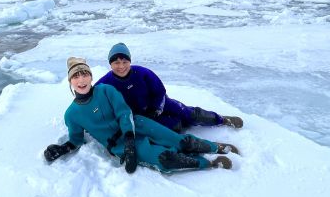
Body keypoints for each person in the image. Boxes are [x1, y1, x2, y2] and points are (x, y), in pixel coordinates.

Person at [44, 57, 239, 174]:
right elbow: (76, 140)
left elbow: (124, 112)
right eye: (76, 76)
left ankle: (216, 147)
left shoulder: (105, 90)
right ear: (70, 81)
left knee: (176, 139)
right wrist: (61, 149)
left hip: (136, 124)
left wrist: (129, 135)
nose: (81, 79)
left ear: (90, 76)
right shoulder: (72, 114)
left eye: (84, 74)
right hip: (118, 144)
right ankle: (209, 163)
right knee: (164, 159)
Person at [95, 42, 244, 133]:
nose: (121, 66)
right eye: (116, 63)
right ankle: (181, 124)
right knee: (174, 127)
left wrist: (156, 109)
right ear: (110, 64)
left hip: (160, 105)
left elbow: (160, 92)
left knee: (188, 113)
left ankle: (220, 120)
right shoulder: (105, 83)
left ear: (130, 61)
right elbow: (91, 100)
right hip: (140, 116)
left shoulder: (142, 72)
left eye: (124, 61)